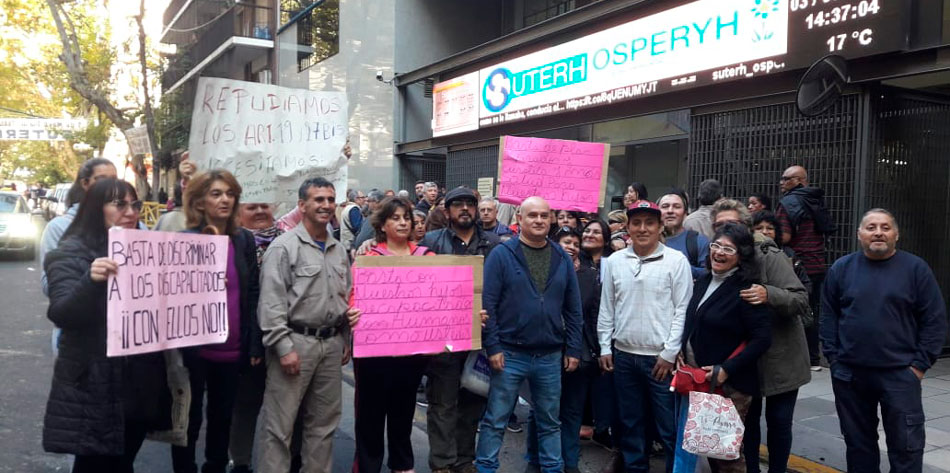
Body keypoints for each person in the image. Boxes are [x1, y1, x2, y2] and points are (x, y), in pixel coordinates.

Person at [43, 178, 169, 472]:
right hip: (94, 382)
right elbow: (62, 313)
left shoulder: (148, 253)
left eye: (135, 204)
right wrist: (91, 279)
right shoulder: (69, 253)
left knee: (125, 460)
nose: (130, 212)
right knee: (94, 463)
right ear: (96, 209)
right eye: (119, 204)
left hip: (139, 380)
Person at [821, 209, 947, 473]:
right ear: (860, 234)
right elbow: (828, 317)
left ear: (896, 234)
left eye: (885, 227)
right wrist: (834, 359)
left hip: (900, 375)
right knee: (858, 446)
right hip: (851, 376)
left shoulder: (915, 269)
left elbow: (934, 320)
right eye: (871, 227)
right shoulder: (841, 269)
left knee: (907, 447)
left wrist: (919, 366)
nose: (878, 232)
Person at [256, 177, 361, 473]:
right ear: (301, 205)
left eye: (330, 199)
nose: (326, 205)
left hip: (330, 348)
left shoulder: (338, 250)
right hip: (294, 345)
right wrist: (283, 347)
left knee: (323, 426)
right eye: (318, 199)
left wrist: (344, 335)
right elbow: (271, 303)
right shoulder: (283, 248)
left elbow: (345, 296)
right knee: (280, 428)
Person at [477, 197, 583, 473]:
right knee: (495, 419)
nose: (539, 220)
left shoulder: (562, 257)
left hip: (549, 356)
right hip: (509, 354)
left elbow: (573, 308)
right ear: (519, 220)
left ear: (552, 220)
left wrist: (573, 349)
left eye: (544, 215)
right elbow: (489, 305)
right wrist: (493, 347)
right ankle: (486, 468)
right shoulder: (502, 255)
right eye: (532, 215)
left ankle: (551, 469)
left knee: (549, 421)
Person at [709, 200, 811, 473]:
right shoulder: (719, 257)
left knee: (778, 423)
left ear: (748, 227)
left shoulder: (768, 254)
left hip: (782, 358)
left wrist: (769, 294)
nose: (727, 230)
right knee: (748, 425)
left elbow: (800, 299)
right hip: (745, 361)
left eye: (733, 224)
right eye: (720, 226)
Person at [171, 170, 261, 473]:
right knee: (189, 418)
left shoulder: (243, 239)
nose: (225, 199)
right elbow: (169, 295)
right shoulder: (185, 241)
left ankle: (215, 466)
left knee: (223, 418)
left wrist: (253, 343)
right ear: (199, 202)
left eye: (230, 194)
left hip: (232, 350)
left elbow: (252, 292)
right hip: (195, 351)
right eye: (216, 193)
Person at [598, 200, 693, 473]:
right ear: (627, 227)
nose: (642, 228)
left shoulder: (676, 262)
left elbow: (681, 311)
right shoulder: (615, 261)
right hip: (624, 357)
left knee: (668, 428)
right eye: (636, 222)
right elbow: (608, 307)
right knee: (630, 425)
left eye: (649, 223)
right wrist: (606, 346)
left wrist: (669, 352)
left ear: (660, 226)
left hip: (660, 360)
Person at [673, 222, 773, 473]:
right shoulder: (704, 280)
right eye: (716, 245)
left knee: (724, 454)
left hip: (729, 386)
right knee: (702, 446)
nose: (719, 252)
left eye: (729, 249)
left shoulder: (747, 290)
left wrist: (727, 369)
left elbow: (762, 339)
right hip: (699, 381)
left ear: (742, 256)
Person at [420, 187, 500, 473]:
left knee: (472, 403)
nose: (465, 209)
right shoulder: (430, 242)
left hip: (480, 340)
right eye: (458, 205)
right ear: (447, 211)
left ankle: (465, 460)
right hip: (443, 341)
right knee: (443, 404)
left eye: (470, 204)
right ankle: (442, 462)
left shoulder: (493, 244)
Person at [352, 197, 435, 473]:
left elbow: (441, 300)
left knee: (403, 414)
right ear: (383, 224)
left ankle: (402, 464)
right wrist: (351, 312)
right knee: (370, 416)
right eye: (395, 218)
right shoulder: (368, 258)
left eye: (406, 218)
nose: (402, 222)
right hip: (374, 356)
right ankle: (368, 466)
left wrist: (468, 319)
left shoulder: (428, 258)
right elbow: (353, 296)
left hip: (411, 357)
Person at [775, 165, 834, 371]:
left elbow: (784, 236)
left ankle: (799, 358)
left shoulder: (788, 203)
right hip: (817, 263)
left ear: (799, 180)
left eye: (786, 178)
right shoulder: (816, 200)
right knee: (813, 310)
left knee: (794, 309)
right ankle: (814, 358)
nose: (781, 182)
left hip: (798, 265)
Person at [40, 157, 117, 295]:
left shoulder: (134, 223)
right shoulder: (58, 227)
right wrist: (90, 277)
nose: (110, 185)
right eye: (101, 179)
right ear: (85, 183)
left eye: (114, 179)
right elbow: (50, 285)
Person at [659, 189, 710, 280]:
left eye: (677, 207)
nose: (670, 211)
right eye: (665, 206)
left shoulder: (698, 241)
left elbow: (709, 274)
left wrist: (680, 266)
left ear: (685, 213)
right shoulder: (646, 241)